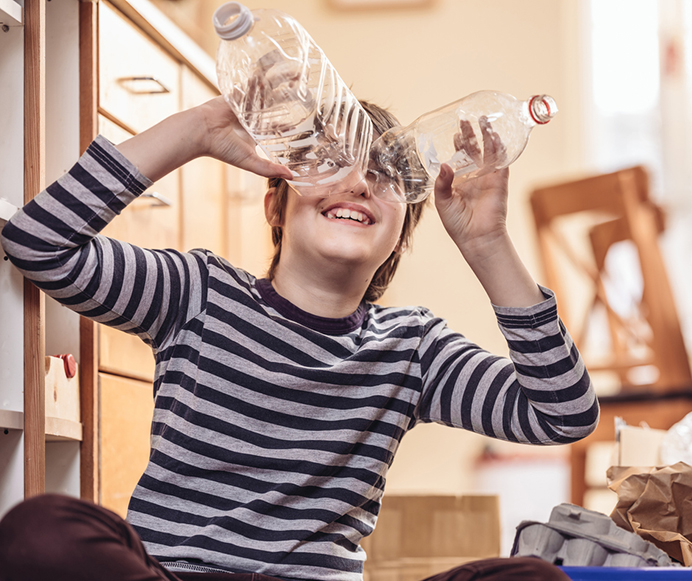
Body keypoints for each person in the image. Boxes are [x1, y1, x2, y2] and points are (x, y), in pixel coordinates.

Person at [0, 96, 599, 581]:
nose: (360, 182)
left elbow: (563, 415)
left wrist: (486, 243)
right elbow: (37, 243)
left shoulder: (412, 348)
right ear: (275, 206)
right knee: (42, 529)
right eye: (330, 163)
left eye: (386, 176)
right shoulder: (197, 292)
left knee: (531, 580)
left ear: (402, 233)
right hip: (178, 574)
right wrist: (200, 128)